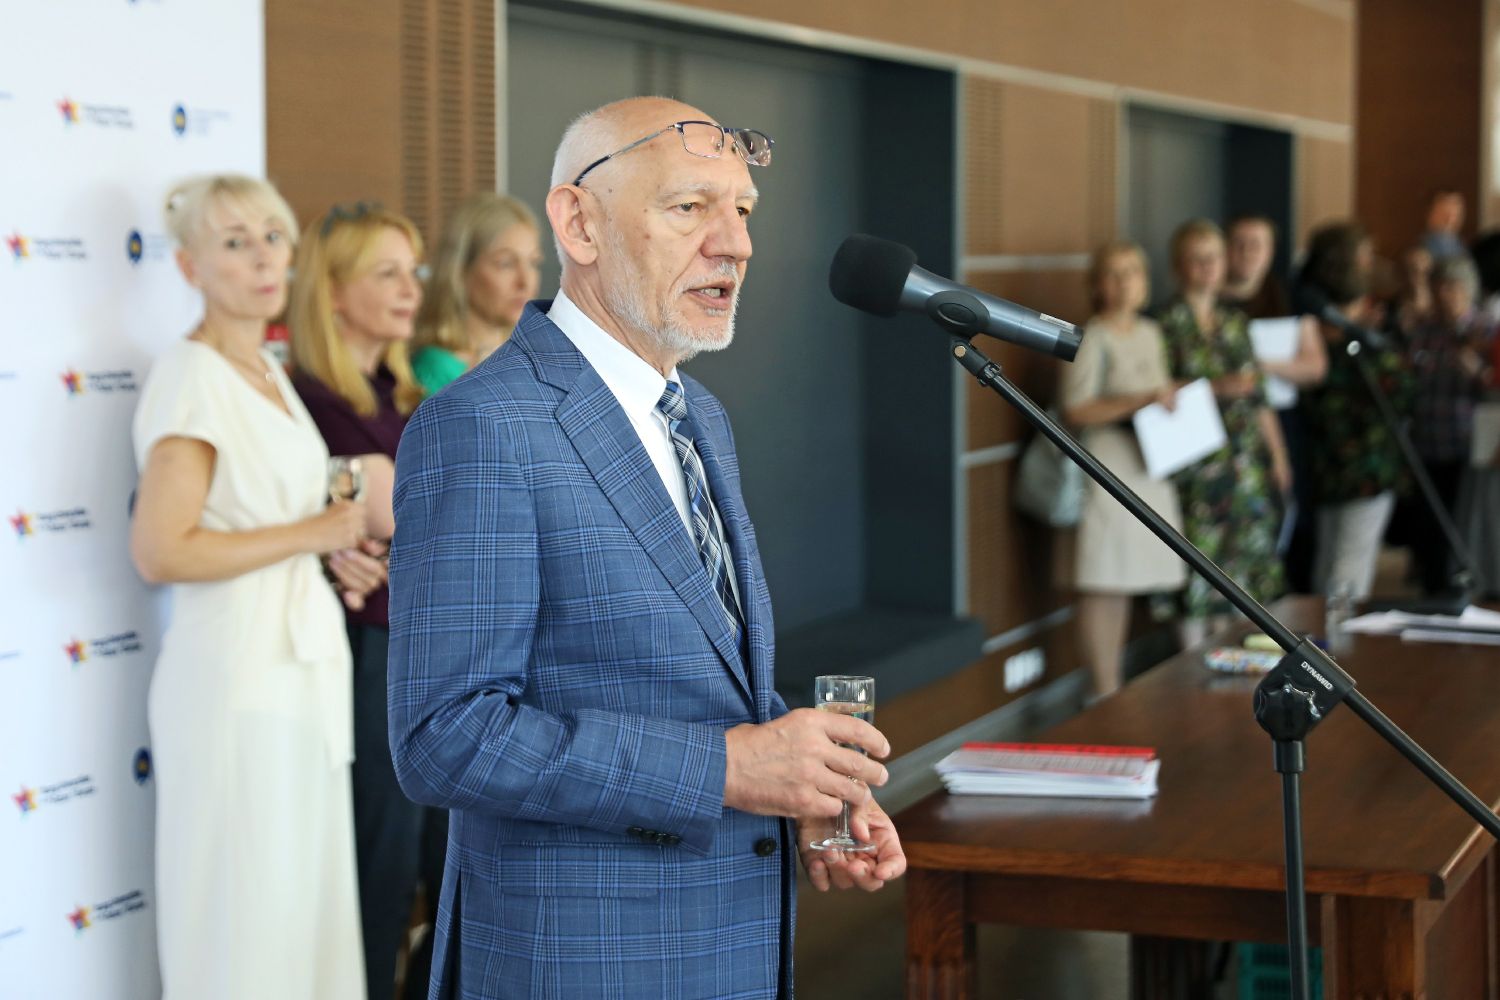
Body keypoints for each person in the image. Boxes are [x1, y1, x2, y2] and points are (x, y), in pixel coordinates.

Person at [387, 97, 906, 999]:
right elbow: (446, 737)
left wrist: (805, 790)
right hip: (579, 965)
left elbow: (704, 678)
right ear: (579, 224)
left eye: (741, 210)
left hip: (727, 947)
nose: (735, 244)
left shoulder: (701, 415)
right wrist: (731, 770)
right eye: (689, 207)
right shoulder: (481, 426)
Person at [129, 174, 375, 999]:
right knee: (247, 915)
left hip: (299, 667)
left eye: (273, 236)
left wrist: (330, 552)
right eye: (235, 243)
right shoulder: (191, 376)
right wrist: (313, 537)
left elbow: (276, 518)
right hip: (237, 677)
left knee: (300, 909)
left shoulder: (267, 369)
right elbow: (160, 550)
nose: (265, 257)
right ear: (189, 266)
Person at [288, 202, 427, 1000]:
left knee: (438, 864)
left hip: (422, 649)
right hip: (366, 656)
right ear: (333, 292)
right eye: (387, 273)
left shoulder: (397, 396)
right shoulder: (313, 402)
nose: (410, 289)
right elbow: (394, 519)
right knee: (381, 870)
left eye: (413, 272)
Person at [1061, 241, 1186, 700]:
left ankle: (1115, 685)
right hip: (1108, 464)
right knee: (1104, 578)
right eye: (1112, 274)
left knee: (1130, 576)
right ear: (1097, 285)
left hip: (1148, 461)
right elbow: (1075, 409)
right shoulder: (1093, 336)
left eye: (1132, 271)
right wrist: (1140, 400)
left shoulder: (1151, 332)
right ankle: (1103, 688)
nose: (1123, 282)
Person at [1157, 219, 1290, 643]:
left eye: (1213, 258)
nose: (1207, 267)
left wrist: (1278, 457)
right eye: (1196, 259)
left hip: (1244, 458)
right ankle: (1191, 661)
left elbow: (1260, 398)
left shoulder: (1234, 321)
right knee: (1198, 559)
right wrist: (1214, 387)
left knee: (1244, 561)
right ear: (1178, 266)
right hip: (1194, 462)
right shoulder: (1164, 323)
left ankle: (1232, 650)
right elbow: (1155, 390)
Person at [1298, 222, 1413, 599]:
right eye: (1364, 256)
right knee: (1343, 570)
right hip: (1354, 464)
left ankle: (1326, 632)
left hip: (1348, 467)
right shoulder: (1325, 325)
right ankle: (1333, 636)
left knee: (1337, 565)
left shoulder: (1354, 328)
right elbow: (1402, 389)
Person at [1222, 214, 1327, 593]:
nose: (1248, 252)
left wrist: (1263, 365)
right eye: (1239, 243)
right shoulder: (1211, 299)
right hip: (1226, 426)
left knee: (1288, 513)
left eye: (1257, 244)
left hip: (1283, 421)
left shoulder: (1290, 297)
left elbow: (1316, 367)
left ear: (1271, 251)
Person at [1406, 254, 1494, 593]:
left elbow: (1493, 387)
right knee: (1429, 530)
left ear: (1468, 290)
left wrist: (1478, 371)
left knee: (1464, 526)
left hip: (1467, 445)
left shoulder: (1485, 329)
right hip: (1426, 443)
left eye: (1453, 287)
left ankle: (1463, 591)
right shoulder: (1425, 331)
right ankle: (1433, 591)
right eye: (1440, 287)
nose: (1446, 295)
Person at [411, 193, 543, 394]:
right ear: (460, 271)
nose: (525, 282)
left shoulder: (535, 358)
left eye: (533, 263)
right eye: (505, 264)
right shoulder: (435, 369)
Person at [1420, 187, 1467, 263]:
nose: (1450, 220)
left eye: (1455, 215)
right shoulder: (1422, 248)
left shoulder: (1461, 246)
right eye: (1444, 214)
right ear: (1430, 213)